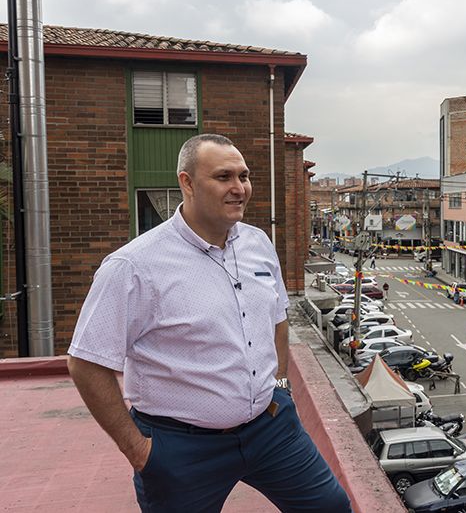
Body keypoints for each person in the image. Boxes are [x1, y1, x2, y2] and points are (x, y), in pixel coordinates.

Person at [66, 134, 351, 513]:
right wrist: (139, 452)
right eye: (223, 177)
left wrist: (279, 386)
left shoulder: (258, 243)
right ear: (187, 183)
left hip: (271, 427)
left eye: (244, 176)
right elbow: (86, 363)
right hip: (182, 448)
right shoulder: (133, 266)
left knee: (331, 507)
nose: (239, 189)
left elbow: (278, 318)